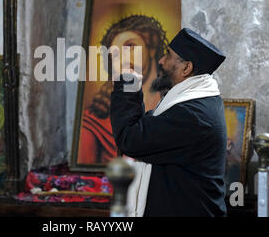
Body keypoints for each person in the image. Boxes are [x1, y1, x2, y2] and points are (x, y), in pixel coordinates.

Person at [110, 27, 228, 217]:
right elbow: (145, 128)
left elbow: (131, 138)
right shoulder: (196, 102)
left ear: (186, 68)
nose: (161, 61)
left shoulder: (193, 115)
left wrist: (128, 84)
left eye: (168, 55)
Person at [77, 15, 171, 165]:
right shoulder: (94, 122)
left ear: (151, 49)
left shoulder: (173, 109)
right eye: (115, 54)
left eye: (129, 47)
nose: (123, 59)